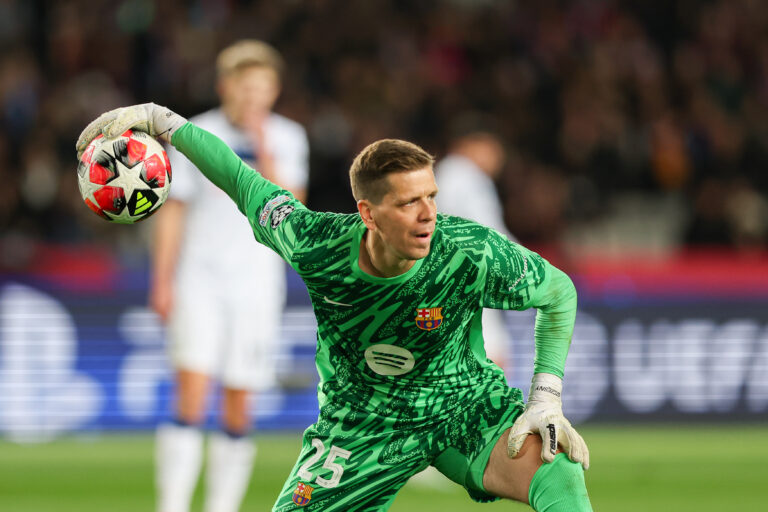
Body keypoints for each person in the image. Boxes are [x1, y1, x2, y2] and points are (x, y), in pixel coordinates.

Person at [77, 104, 593, 512]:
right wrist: (167, 122)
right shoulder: (315, 243)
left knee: (559, 467)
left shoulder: (468, 250)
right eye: (408, 203)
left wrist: (546, 397)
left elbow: (558, 292)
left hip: (464, 408)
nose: (429, 215)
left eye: (432, 197)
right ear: (368, 213)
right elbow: (241, 180)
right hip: (362, 426)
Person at [148, 41, 309, 512]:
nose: (252, 96)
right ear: (225, 87)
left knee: (240, 399)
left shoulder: (288, 137)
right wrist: (162, 281)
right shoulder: (197, 132)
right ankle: (172, 505)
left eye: (262, 87)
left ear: (274, 90)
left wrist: (261, 146)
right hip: (199, 280)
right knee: (191, 394)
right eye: (244, 86)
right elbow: (173, 213)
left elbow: (289, 209)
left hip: (257, 285)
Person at [435, 130, 514, 369]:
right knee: (492, 362)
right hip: (467, 281)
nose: (498, 161)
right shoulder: (465, 174)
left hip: (447, 279)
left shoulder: (446, 174)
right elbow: (489, 233)